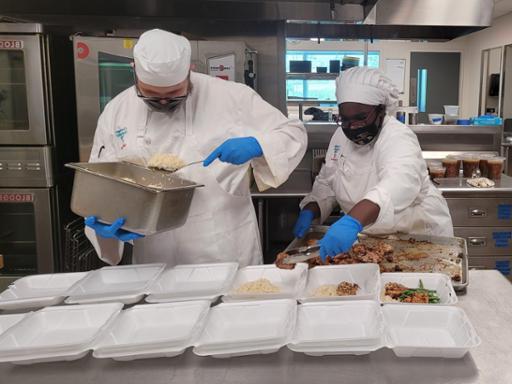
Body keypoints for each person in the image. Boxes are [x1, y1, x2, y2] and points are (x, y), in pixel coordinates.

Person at [85, 29, 307, 267]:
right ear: (134, 72)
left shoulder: (232, 97)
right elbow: (102, 181)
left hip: (223, 247)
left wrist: (259, 145)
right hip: (155, 252)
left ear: (189, 71)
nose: (162, 102)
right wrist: (106, 223)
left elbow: (293, 133)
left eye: (173, 94)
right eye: (150, 94)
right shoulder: (116, 111)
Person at [293, 66, 453, 261]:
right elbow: (328, 181)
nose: (352, 127)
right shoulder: (340, 137)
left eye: (360, 118)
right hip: (368, 238)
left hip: (416, 239)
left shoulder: (397, 136)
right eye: (344, 119)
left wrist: (352, 221)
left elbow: (398, 184)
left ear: (381, 110)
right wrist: (311, 208)